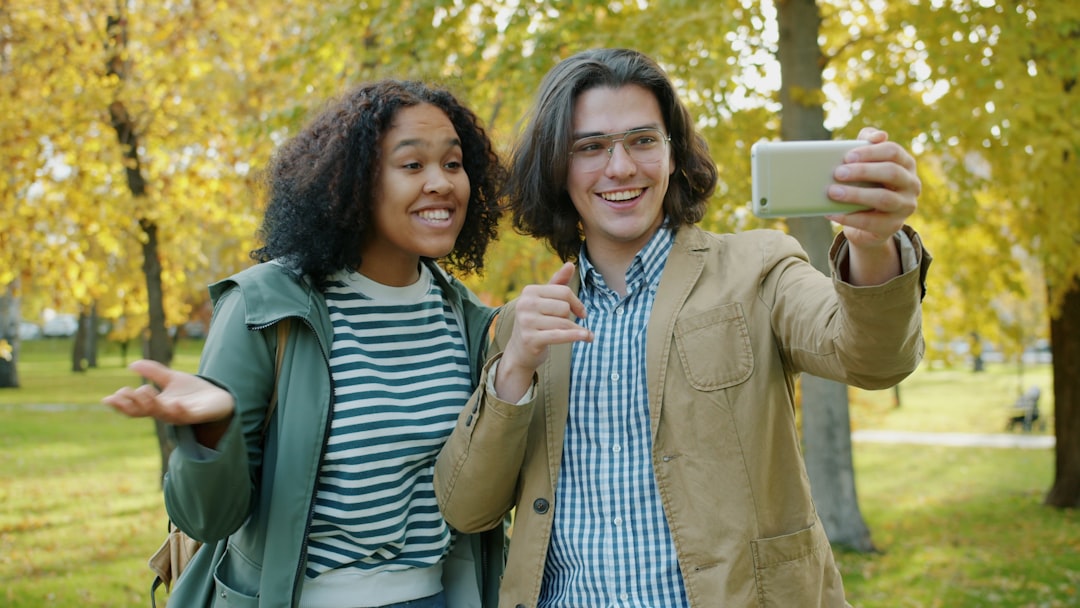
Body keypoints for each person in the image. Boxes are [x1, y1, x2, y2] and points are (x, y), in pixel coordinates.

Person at [433, 48, 932, 607]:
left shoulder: (758, 267)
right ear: (558, 168)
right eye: (591, 147)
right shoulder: (524, 326)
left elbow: (874, 358)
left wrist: (873, 244)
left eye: (643, 140)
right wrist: (515, 368)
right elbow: (466, 507)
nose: (620, 167)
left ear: (673, 155)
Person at [104, 79, 507, 608]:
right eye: (412, 166)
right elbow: (207, 519)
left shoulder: (467, 318)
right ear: (354, 183)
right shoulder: (266, 307)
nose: (441, 183)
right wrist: (210, 431)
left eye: (453, 164)